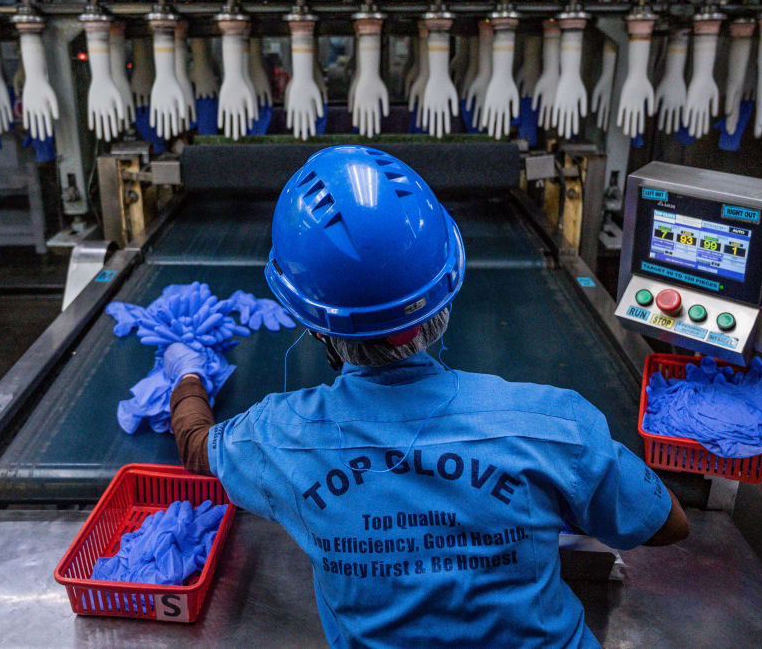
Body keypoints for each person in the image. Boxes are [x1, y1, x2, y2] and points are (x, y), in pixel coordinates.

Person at [166, 145, 689, 647]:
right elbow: (667, 524)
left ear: (316, 326)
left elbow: (196, 445)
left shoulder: (279, 437)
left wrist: (188, 375)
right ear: (445, 294)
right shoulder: (552, 423)